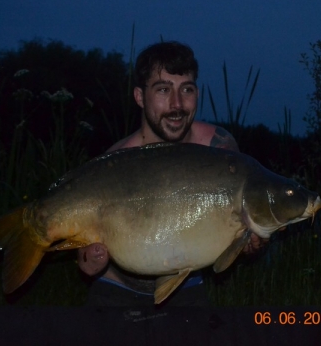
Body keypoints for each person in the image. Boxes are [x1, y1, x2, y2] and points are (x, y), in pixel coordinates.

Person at [77, 41, 265, 307]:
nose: (177, 104)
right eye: (163, 89)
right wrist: (88, 261)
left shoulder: (219, 148)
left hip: (187, 287)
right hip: (115, 290)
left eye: (186, 89)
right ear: (140, 97)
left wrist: (252, 245)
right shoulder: (116, 161)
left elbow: (241, 241)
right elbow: (83, 258)